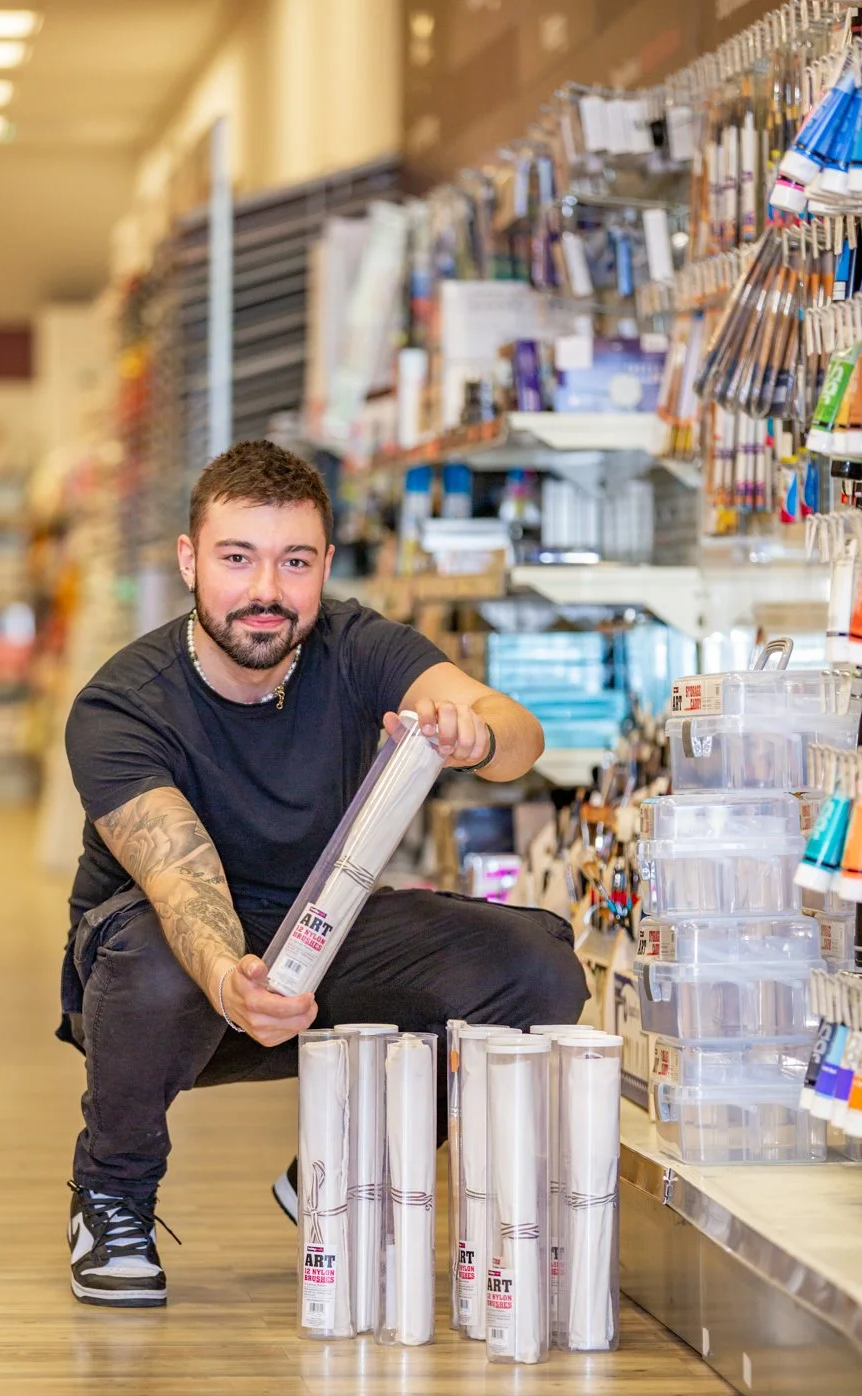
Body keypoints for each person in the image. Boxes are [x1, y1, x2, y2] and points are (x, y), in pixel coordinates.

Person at [61, 439, 587, 1307]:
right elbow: (181, 884)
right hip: (169, 983)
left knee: (535, 966)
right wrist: (236, 982)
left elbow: (520, 733)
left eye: (293, 561)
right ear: (190, 560)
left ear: (325, 566)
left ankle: (350, 1164)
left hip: (320, 945)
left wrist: (476, 734)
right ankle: (112, 1194)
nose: (266, 589)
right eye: (238, 558)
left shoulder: (357, 646)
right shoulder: (122, 705)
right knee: (159, 956)